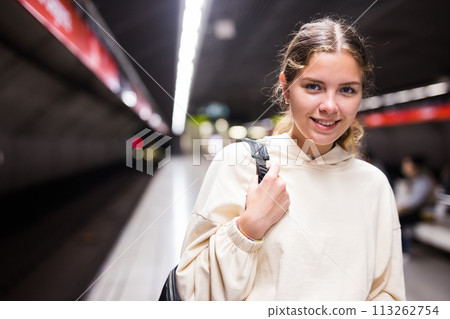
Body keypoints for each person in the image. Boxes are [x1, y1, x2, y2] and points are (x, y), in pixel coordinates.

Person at [175, 17, 406, 300]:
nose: (330, 106)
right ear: (286, 88)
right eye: (314, 86)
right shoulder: (240, 164)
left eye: (346, 90)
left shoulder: (374, 185)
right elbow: (193, 294)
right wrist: (247, 229)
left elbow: (387, 295)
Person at [395, 155, 435, 257]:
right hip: (417, 211)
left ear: (413, 165)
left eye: (406, 164)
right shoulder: (416, 178)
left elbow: (414, 201)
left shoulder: (424, 180)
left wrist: (398, 208)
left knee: (399, 219)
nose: (404, 167)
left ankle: (405, 250)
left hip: (425, 213)